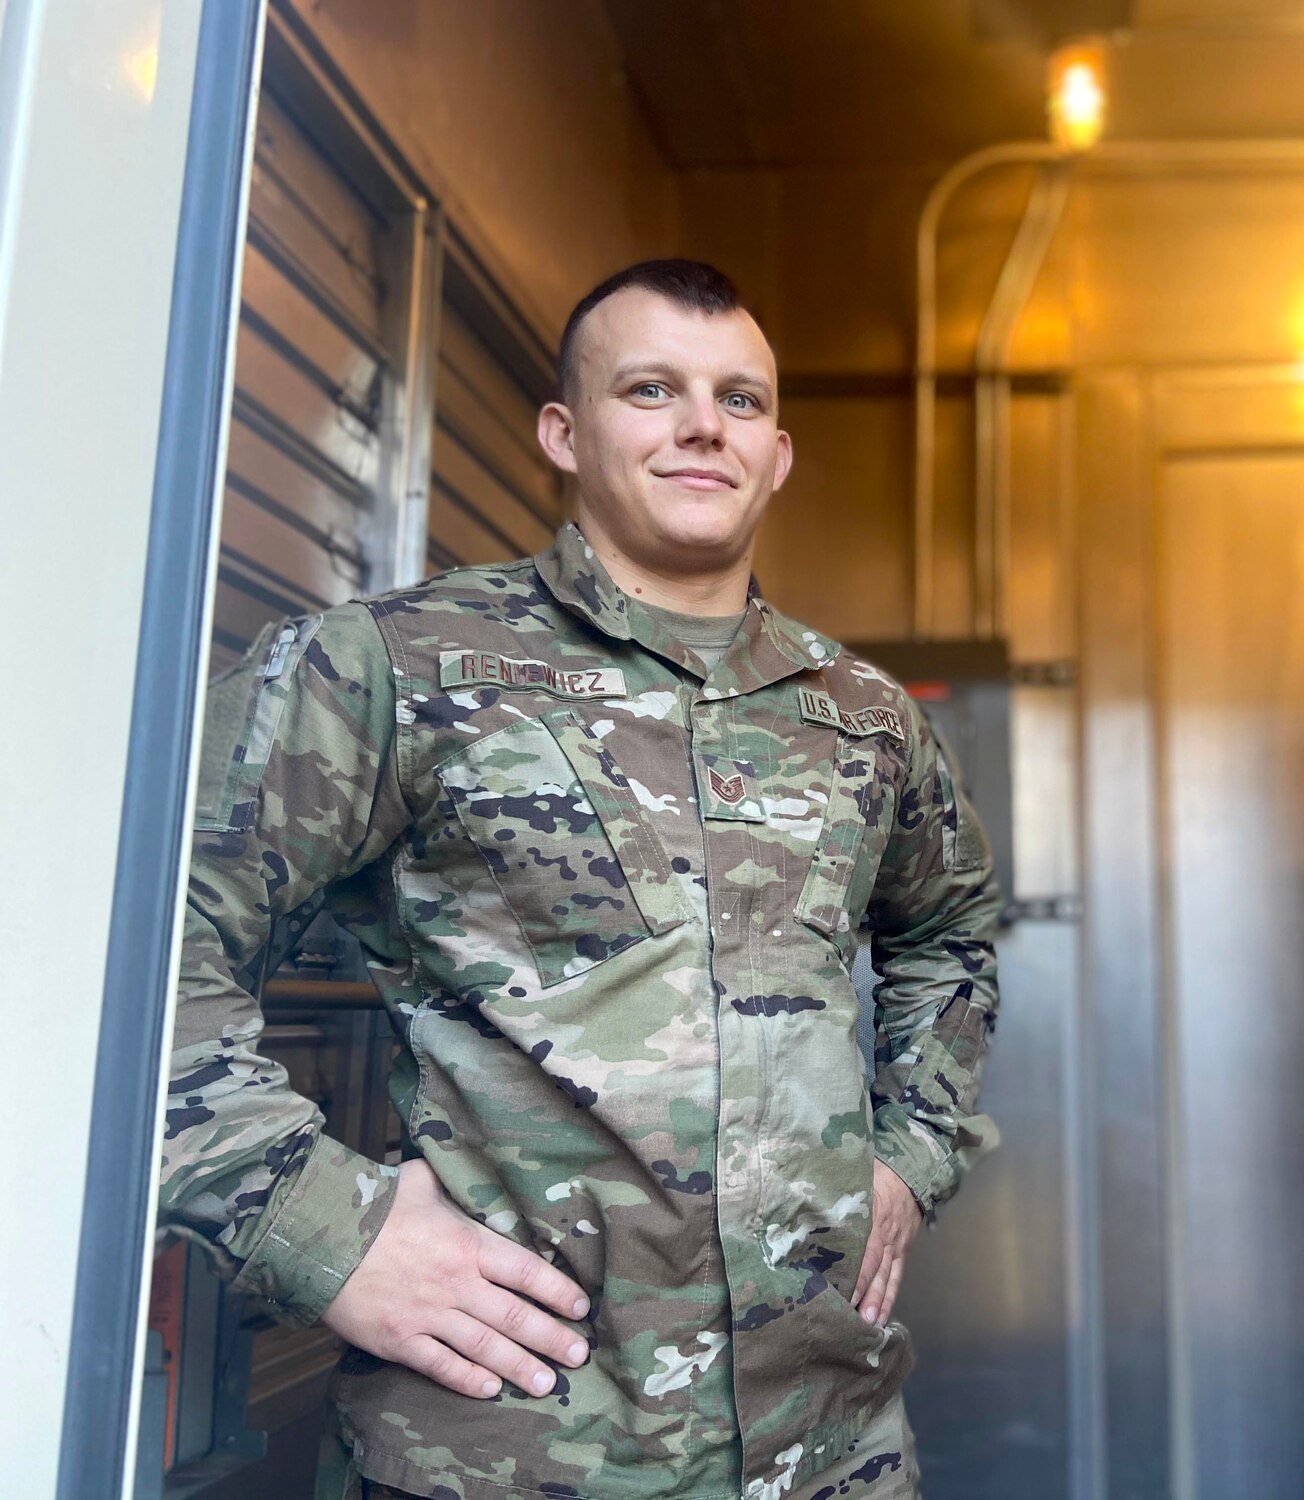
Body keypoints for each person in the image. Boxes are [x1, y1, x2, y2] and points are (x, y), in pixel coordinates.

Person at [159, 259, 1001, 1500]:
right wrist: (320, 1227)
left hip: (831, 1453)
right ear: (562, 432)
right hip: (507, 1454)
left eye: (741, 401)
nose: (704, 424)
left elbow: (952, 931)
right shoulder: (396, 669)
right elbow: (120, 944)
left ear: (777, 456)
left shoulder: (864, 720)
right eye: (651, 388)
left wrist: (911, 1153)